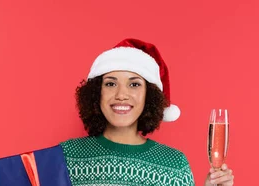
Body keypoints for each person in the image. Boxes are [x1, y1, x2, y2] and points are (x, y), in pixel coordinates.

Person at [59, 38, 234, 185]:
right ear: (97, 92)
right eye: (111, 84)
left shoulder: (174, 165)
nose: (121, 95)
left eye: (134, 84)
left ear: (148, 96)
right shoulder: (66, 156)